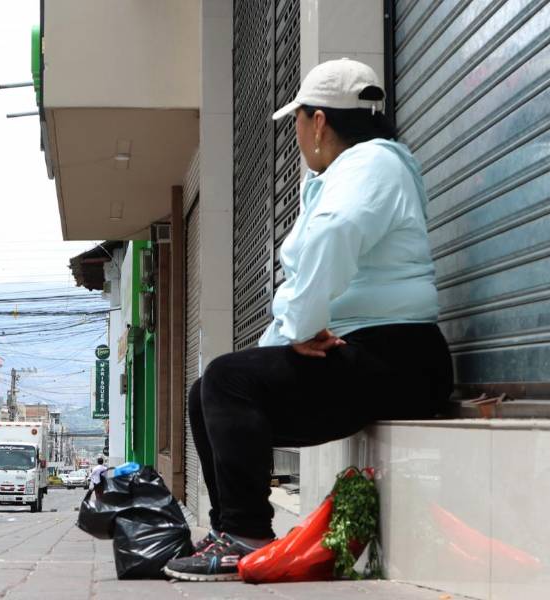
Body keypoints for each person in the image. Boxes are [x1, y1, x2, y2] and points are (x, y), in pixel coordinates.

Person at [163, 59, 454, 582]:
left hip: (401, 359)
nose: (296, 133)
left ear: (319, 121)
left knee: (227, 380)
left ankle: (246, 534)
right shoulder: (349, 173)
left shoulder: (371, 165)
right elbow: (320, 265)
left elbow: (332, 237)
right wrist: (281, 344)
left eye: (297, 121)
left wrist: (298, 330)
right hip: (368, 355)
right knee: (212, 387)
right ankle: (234, 530)